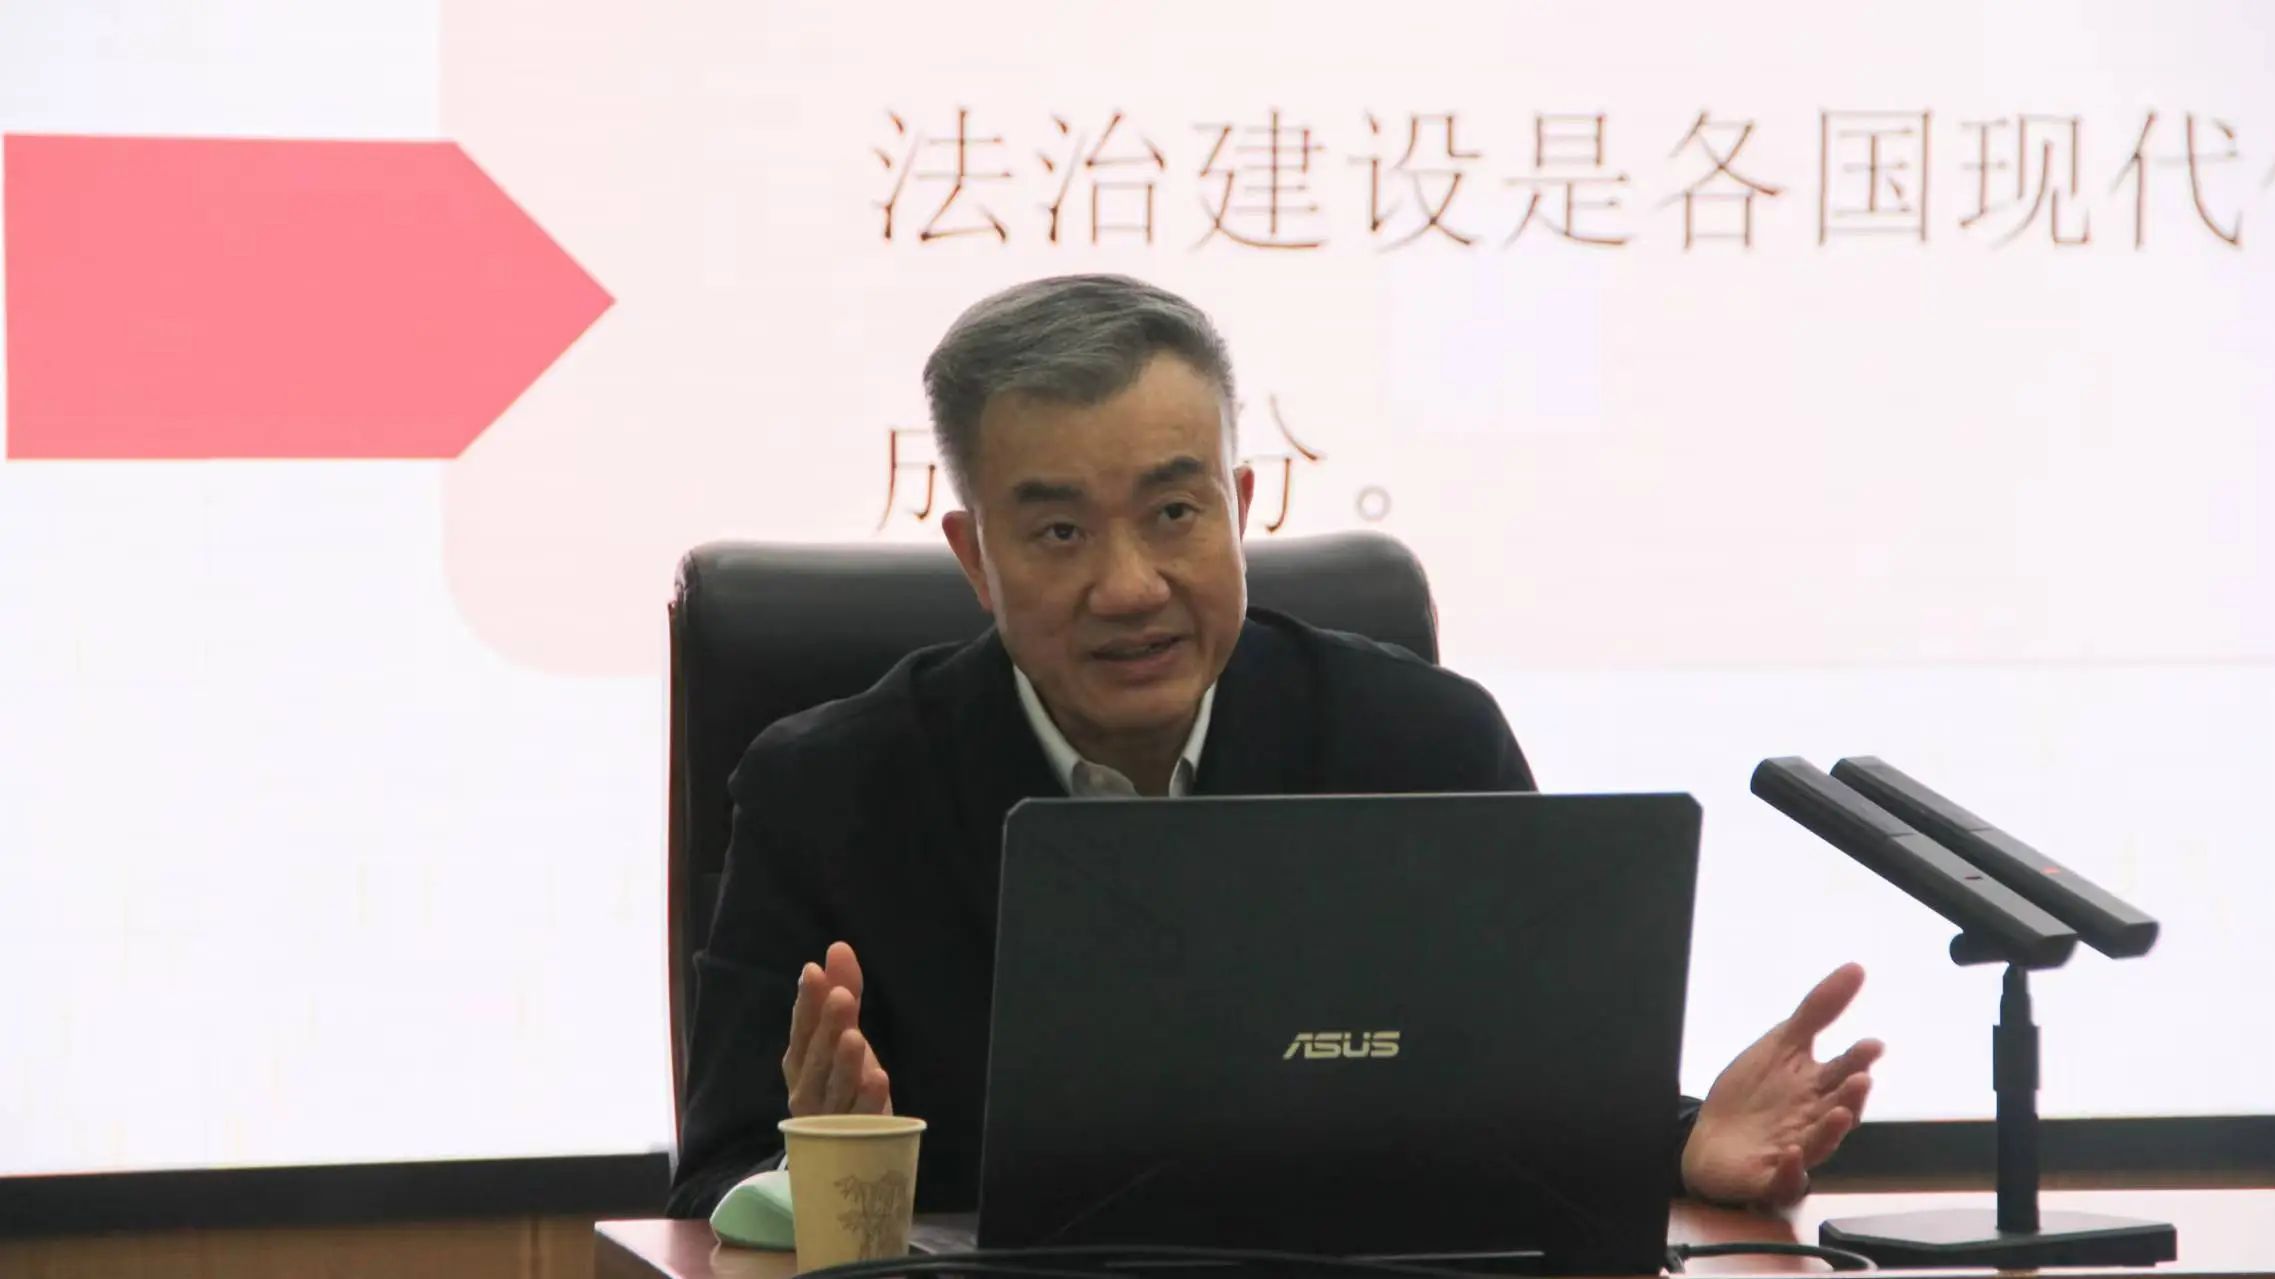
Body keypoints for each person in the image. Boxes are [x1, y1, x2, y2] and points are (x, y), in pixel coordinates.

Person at [667, 274, 1881, 1218]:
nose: (1129, 585)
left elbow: (1538, 1102)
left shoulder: (1423, 744)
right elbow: (715, 1184)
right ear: (974, 558)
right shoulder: (827, 794)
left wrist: (1681, 1142)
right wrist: (820, 1176)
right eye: (1058, 532)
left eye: (1173, 512)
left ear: (1240, 510)